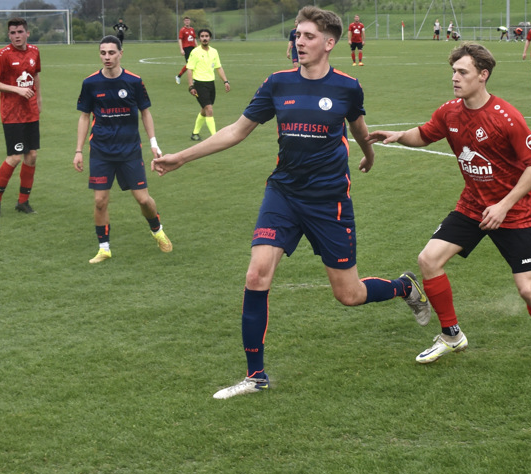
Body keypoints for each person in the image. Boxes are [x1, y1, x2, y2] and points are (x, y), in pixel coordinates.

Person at [153, 6, 431, 400]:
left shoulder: (347, 87)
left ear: (330, 43)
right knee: (256, 275)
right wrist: (181, 156)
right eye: (297, 35)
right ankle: (255, 376)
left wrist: (369, 154)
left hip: (329, 200)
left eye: (308, 36)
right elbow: (237, 130)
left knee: (348, 294)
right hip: (282, 194)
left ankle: (404, 287)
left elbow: (357, 126)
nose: (299, 41)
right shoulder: (277, 83)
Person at [367, 42, 531, 371]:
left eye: (462, 72)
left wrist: (504, 206)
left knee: (527, 289)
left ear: (483, 75)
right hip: (474, 206)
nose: (455, 78)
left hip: (515, 213)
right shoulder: (450, 112)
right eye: (453, 71)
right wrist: (399, 134)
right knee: (428, 260)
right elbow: (425, 134)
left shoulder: (506, 117)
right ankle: (451, 336)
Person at [73, 35, 172, 264]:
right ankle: (104, 248)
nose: (107, 57)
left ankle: (156, 230)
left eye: (111, 53)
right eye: (103, 53)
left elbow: (145, 112)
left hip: (129, 151)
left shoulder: (134, 82)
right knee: (100, 201)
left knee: (143, 200)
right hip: (101, 151)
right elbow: (84, 116)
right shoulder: (90, 83)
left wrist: (154, 144)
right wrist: (78, 150)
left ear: (120, 53)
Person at [0, 17, 42, 218]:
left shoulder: (35, 51)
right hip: (12, 114)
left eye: (20, 32)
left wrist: (39, 100)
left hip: (31, 112)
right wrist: (15, 90)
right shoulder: (2, 55)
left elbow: (35, 76)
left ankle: (23, 202)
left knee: (32, 155)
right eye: (13, 33)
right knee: (15, 157)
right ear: (9, 35)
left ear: (27, 33)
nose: (17, 36)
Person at [186, 29, 230, 141]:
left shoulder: (214, 52)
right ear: (199, 38)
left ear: (210, 38)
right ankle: (215, 137)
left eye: (206, 36)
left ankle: (195, 133)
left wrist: (225, 81)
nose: (204, 38)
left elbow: (218, 67)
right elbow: (189, 69)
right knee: (209, 109)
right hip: (199, 84)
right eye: (202, 36)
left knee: (204, 109)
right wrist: (191, 86)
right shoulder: (195, 52)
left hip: (211, 84)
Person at [175, 16, 197, 84]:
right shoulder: (182, 30)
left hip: (193, 48)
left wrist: (198, 47)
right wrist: (181, 49)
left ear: (190, 21)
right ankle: (178, 76)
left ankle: (193, 78)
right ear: (184, 22)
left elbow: (194, 38)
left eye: (188, 20)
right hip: (186, 49)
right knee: (189, 64)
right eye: (186, 20)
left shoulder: (192, 29)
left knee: (194, 63)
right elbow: (180, 39)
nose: (187, 22)